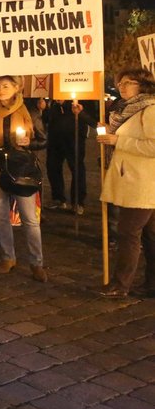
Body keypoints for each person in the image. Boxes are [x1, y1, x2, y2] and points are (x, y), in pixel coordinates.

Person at [0, 75, 49, 282]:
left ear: (17, 88)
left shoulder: (30, 111)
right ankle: (8, 257)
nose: (1, 90)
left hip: (22, 169)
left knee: (30, 218)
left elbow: (42, 140)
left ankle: (36, 262)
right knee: (1, 215)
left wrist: (28, 143)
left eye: (6, 86)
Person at [98, 68, 155, 298]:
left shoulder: (149, 110)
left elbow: (153, 146)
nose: (122, 86)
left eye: (129, 82)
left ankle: (120, 285)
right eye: (120, 82)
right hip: (135, 179)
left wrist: (118, 140)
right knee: (150, 235)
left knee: (128, 232)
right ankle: (151, 283)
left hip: (142, 182)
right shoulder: (126, 111)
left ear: (143, 85)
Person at [43, 98, 96, 215]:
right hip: (54, 137)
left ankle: (77, 202)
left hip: (75, 137)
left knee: (77, 168)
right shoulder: (53, 102)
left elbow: (92, 119)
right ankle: (58, 198)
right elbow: (47, 119)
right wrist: (43, 109)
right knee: (52, 167)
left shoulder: (83, 98)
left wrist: (70, 106)